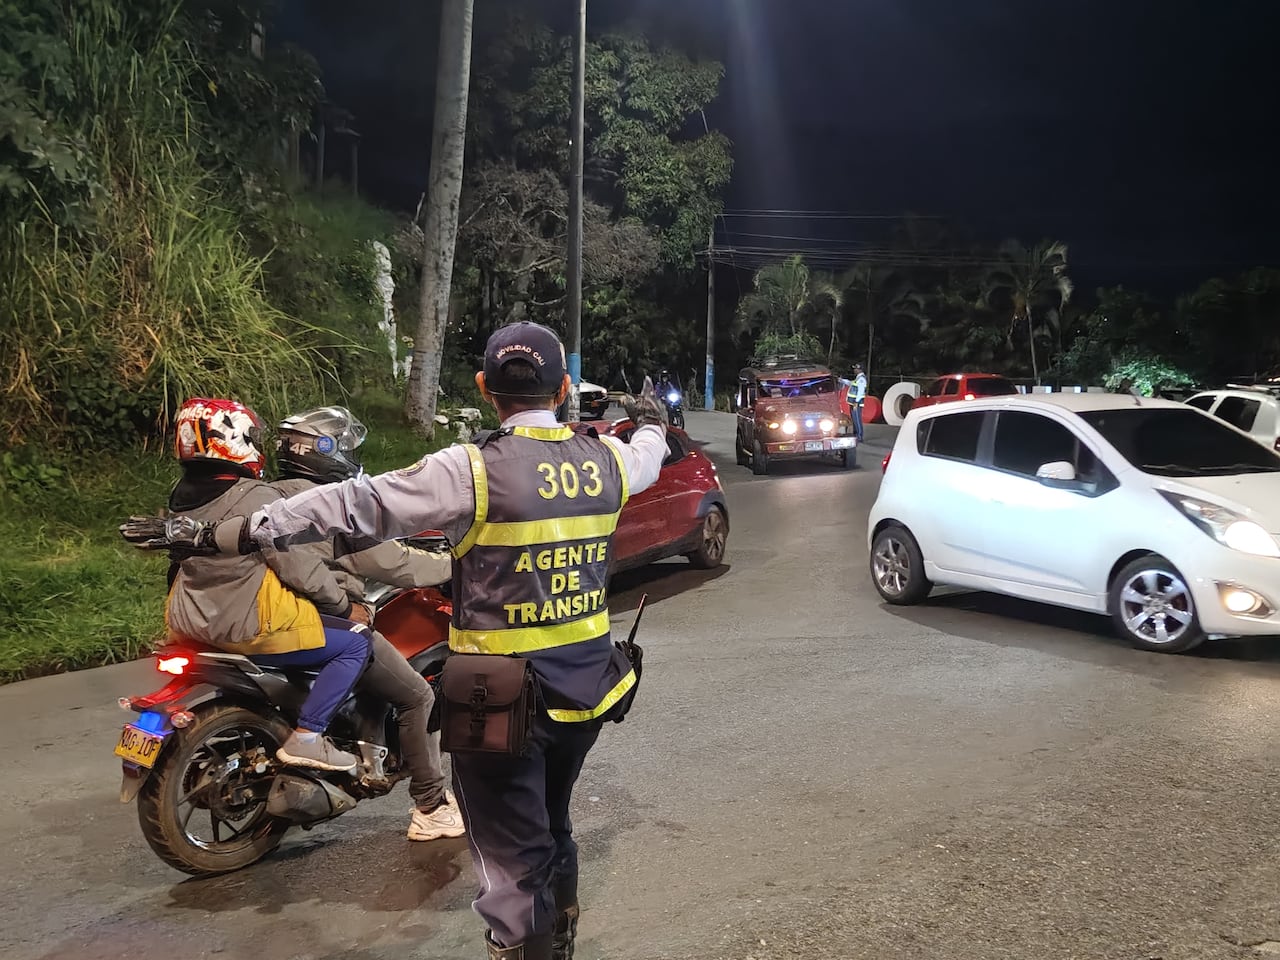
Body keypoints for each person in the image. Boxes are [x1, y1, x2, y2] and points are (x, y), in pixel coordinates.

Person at [130, 324, 669, 960]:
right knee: (553, 823)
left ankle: (527, 946)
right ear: (563, 390)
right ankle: (559, 935)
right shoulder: (606, 460)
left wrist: (223, 533)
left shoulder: (469, 469)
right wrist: (652, 421)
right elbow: (649, 457)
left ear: (483, 389)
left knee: (510, 853)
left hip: (497, 705)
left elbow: (348, 505)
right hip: (586, 690)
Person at [273, 405, 464, 842]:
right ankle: (431, 805)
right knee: (416, 696)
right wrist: (453, 565)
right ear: (325, 452)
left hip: (271, 619)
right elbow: (392, 562)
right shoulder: (330, 505)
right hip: (322, 617)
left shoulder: (268, 496)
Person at [163, 397, 369, 773]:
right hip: (243, 624)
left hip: (189, 622)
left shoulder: (181, 497)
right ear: (232, 438)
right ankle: (309, 737)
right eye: (251, 436)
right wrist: (342, 605)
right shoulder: (257, 497)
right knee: (355, 642)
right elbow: (297, 565)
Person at [849, 363, 868, 442]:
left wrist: (856, 402)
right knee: (854, 419)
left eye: (855, 368)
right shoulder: (858, 378)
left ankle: (859, 436)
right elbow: (850, 383)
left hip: (856, 402)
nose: (854, 370)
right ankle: (856, 434)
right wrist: (842, 381)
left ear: (859, 369)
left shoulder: (861, 379)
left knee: (857, 419)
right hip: (853, 402)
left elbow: (860, 392)